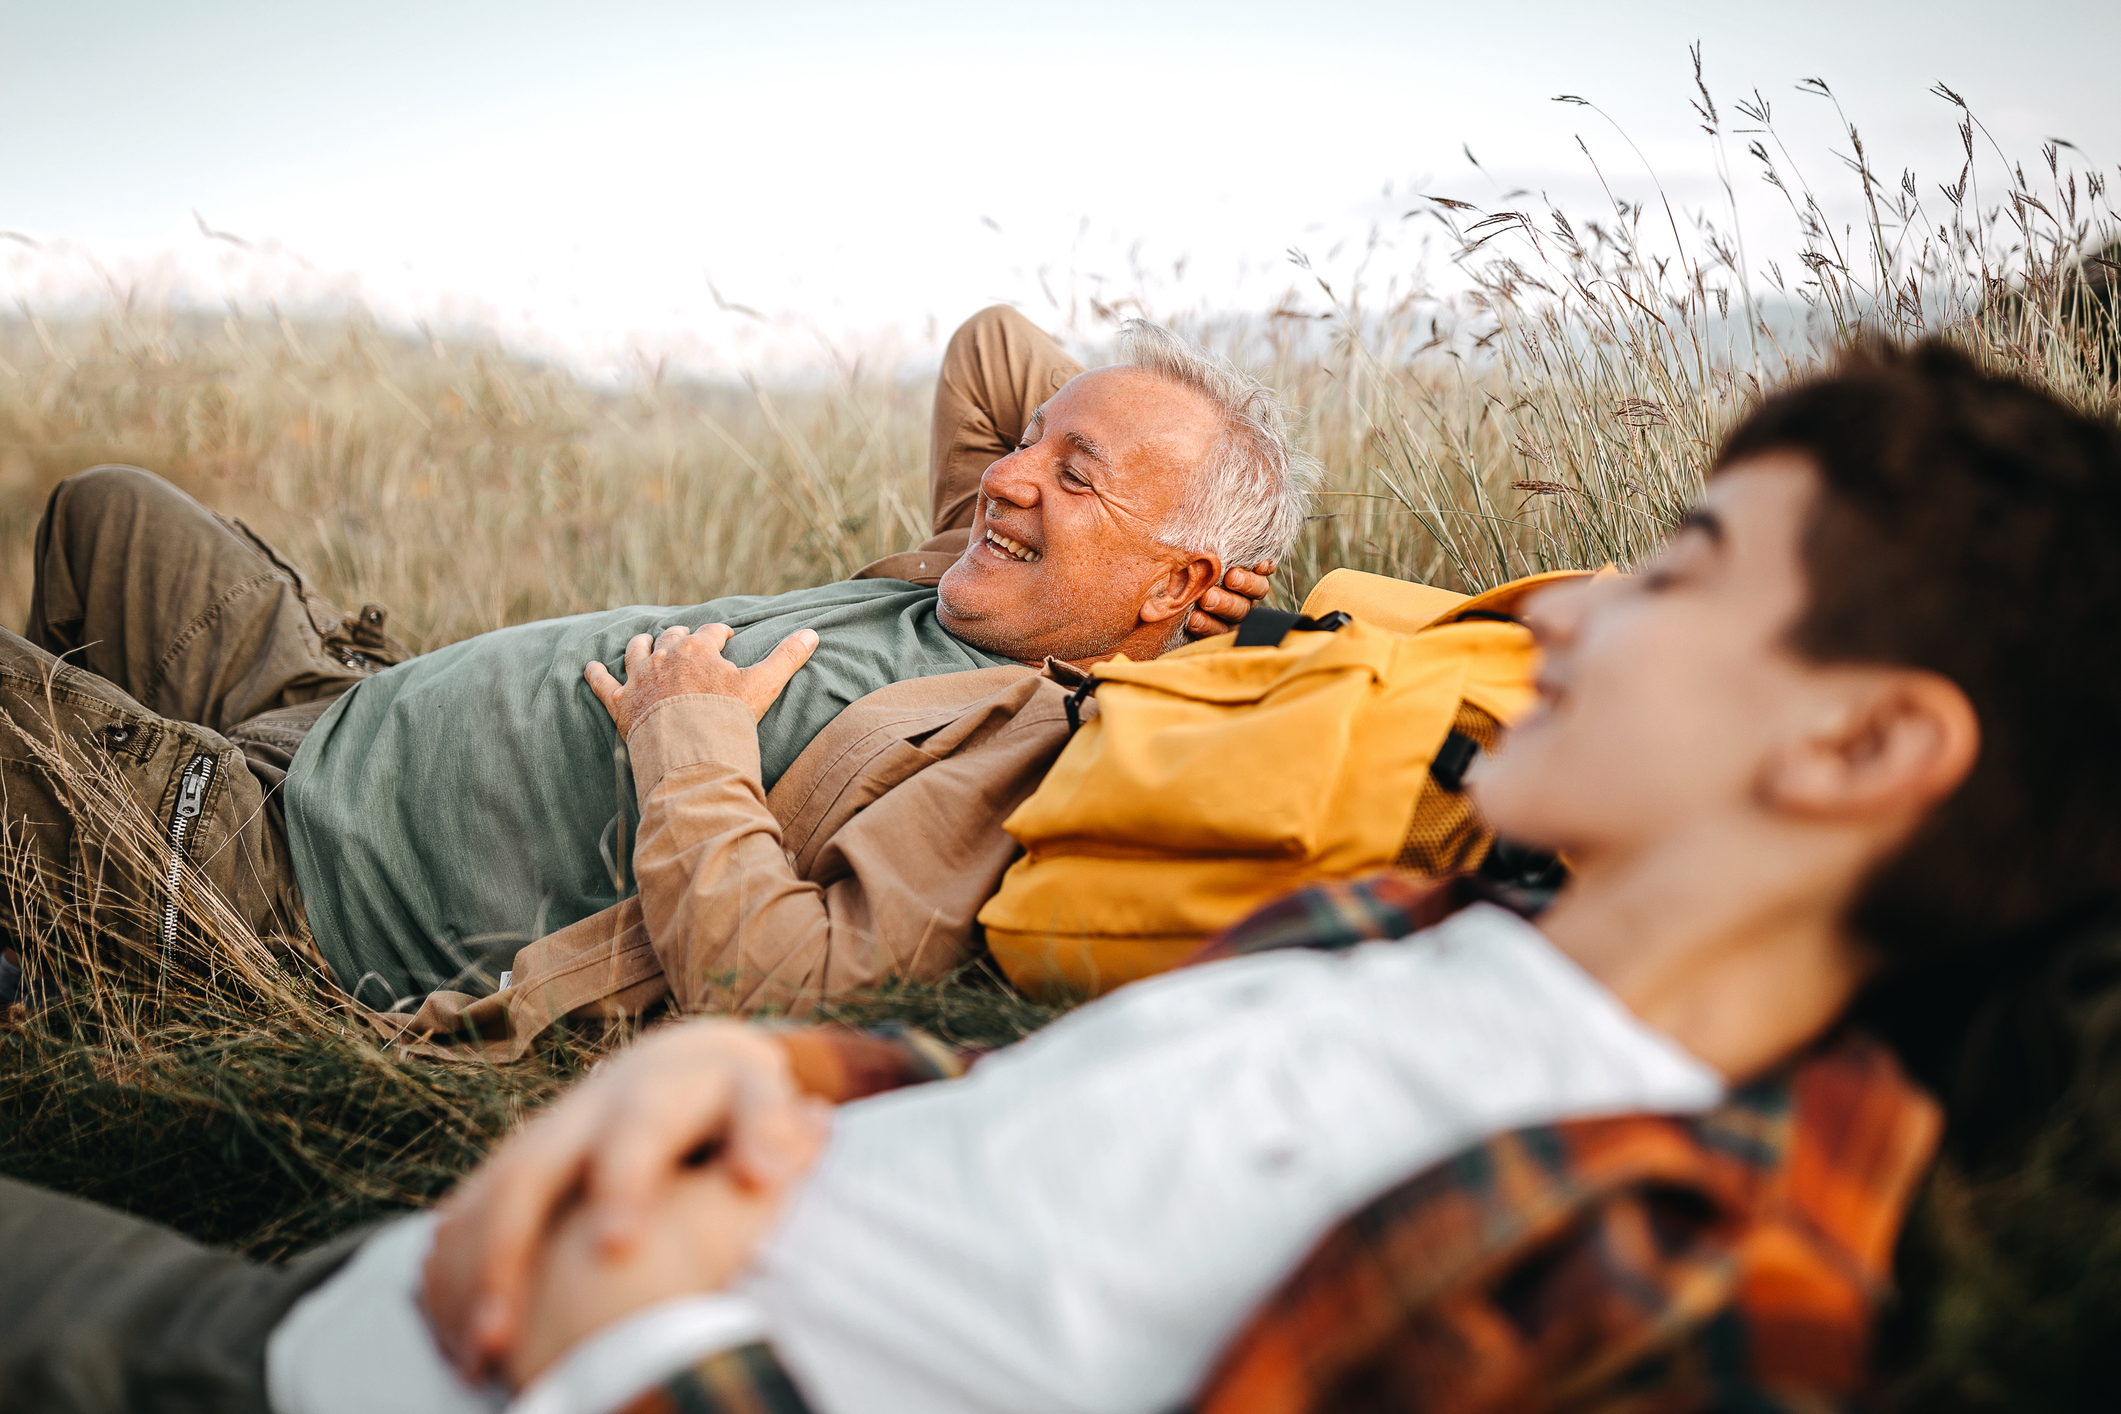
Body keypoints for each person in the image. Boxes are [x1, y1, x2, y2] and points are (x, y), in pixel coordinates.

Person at [7, 336, 2117, 1414]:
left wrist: (644, 1347)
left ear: (1858, 747)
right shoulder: (1401, 938)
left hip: (338, 1345)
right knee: (107, 515)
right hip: (371, 1291)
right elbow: (1029, 1131)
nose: (1551, 614)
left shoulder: (1674, 1280)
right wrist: (777, 1077)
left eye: (1675, 573)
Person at [0, 310, 1302, 1015]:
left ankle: (110, 951)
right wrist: (1176, 577)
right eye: (1028, 443)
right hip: (334, 716)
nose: (1009, 478)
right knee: (109, 513)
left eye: (1073, 474)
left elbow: (776, 983)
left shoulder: (1021, 756)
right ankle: (56, 944)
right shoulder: (987, 572)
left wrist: (692, 744)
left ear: (1169, 579)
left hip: (294, 876)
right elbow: (994, 348)